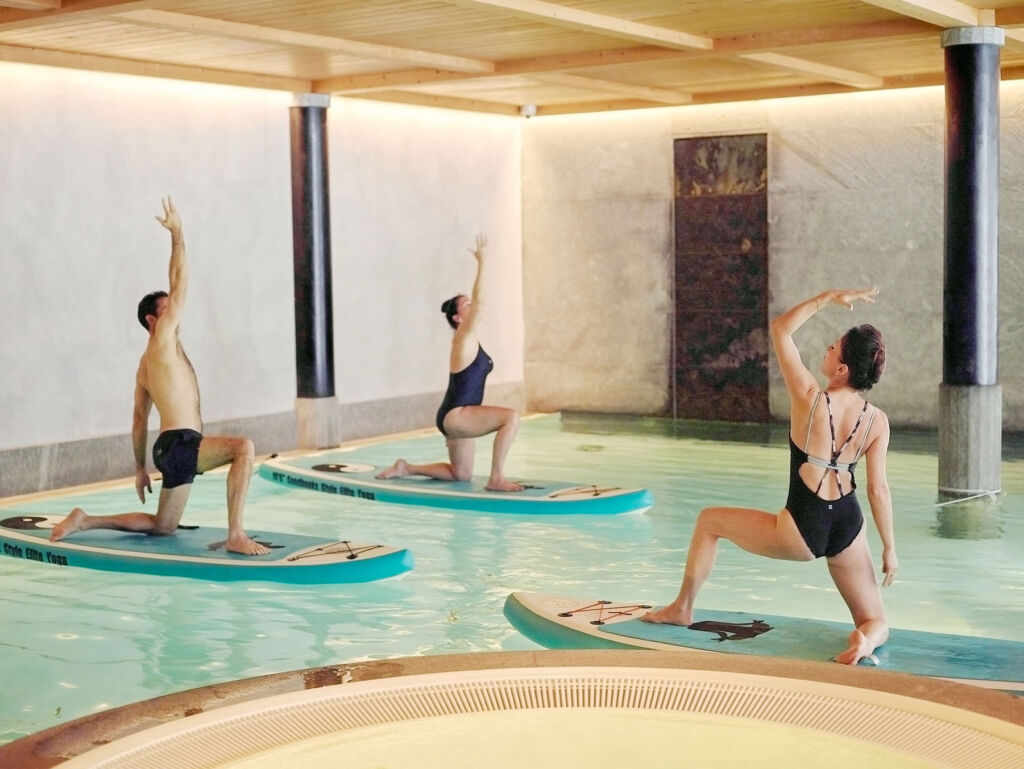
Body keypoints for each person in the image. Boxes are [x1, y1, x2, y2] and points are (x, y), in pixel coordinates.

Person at [643, 288, 898, 665]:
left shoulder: (809, 397)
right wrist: (889, 548)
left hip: (802, 524)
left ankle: (682, 607)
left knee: (708, 521)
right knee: (875, 620)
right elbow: (878, 489)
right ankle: (865, 642)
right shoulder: (877, 421)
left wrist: (826, 298)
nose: (827, 349)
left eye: (833, 347)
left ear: (842, 369)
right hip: (848, 524)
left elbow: (780, 330)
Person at [50, 198, 269, 555]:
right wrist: (178, 233)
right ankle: (236, 535)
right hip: (181, 442)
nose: (176, 314)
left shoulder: (145, 364)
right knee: (243, 448)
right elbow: (180, 280)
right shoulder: (162, 341)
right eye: (167, 311)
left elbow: (139, 418)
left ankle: (84, 520)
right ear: (152, 321)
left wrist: (139, 468)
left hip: (169, 449)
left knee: (163, 526)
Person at [376, 234, 524, 492]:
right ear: (457, 317)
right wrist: (483, 263)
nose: (473, 305)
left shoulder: (469, 339)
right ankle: (496, 478)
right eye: (466, 304)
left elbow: (480, 303)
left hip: (454, 416)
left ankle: (405, 468)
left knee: (461, 474)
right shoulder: (463, 338)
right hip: (458, 416)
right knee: (511, 418)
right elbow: (482, 300)